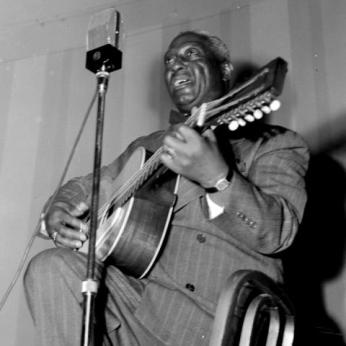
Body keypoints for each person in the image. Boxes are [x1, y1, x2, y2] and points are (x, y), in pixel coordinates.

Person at [24, 30, 310, 346]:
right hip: (143, 314)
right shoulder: (148, 146)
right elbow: (84, 187)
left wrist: (218, 177)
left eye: (191, 54)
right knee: (49, 267)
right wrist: (58, 208)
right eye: (169, 61)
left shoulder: (273, 145)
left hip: (224, 318)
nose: (175, 65)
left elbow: (278, 233)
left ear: (225, 71)